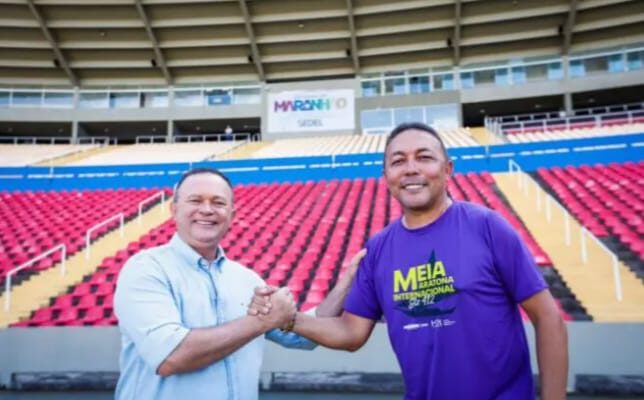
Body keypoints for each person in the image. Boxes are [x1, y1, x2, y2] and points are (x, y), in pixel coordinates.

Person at [251, 122, 568, 399]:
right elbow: (350, 333)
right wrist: (289, 318)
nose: (411, 169)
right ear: (386, 176)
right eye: (397, 161)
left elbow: (548, 318)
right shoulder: (378, 249)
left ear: (448, 170)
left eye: (425, 157)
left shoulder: (487, 226)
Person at [114, 167, 364, 400]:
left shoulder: (247, 279)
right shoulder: (146, 269)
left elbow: (302, 338)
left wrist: (346, 284)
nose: (207, 209)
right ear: (174, 209)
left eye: (218, 202)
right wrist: (261, 322)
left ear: (232, 215)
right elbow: (170, 356)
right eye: (195, 200)